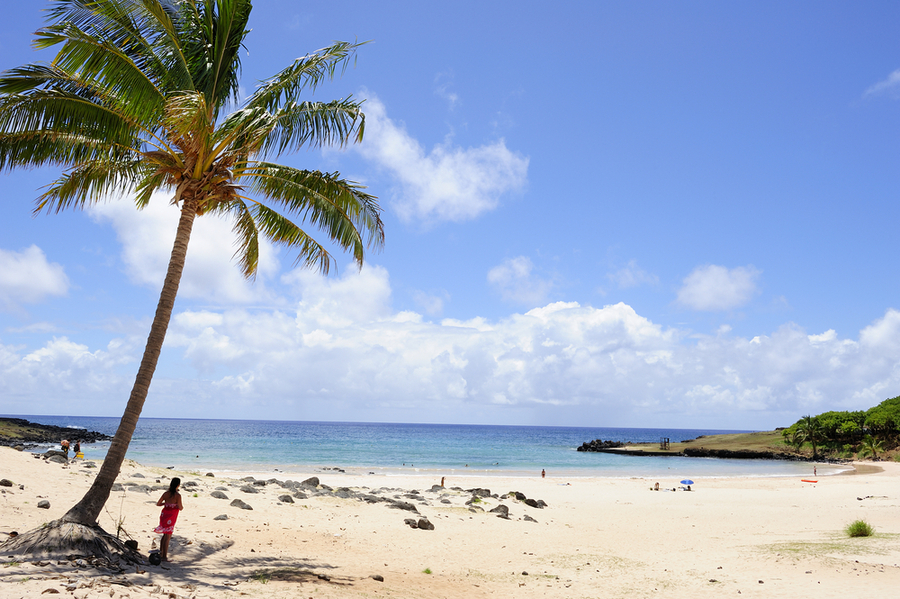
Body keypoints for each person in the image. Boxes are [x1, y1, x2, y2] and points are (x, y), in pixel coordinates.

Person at [153, 478, 184, 562]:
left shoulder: (166, 494)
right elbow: (180, 507)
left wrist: (165, 503)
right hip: (172, 516)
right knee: (168, 536)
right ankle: (164, 556)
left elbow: (158, 503)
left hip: (164, 515)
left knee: (164, 534)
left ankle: (161, 553)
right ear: (178, 485)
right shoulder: (178, 496)